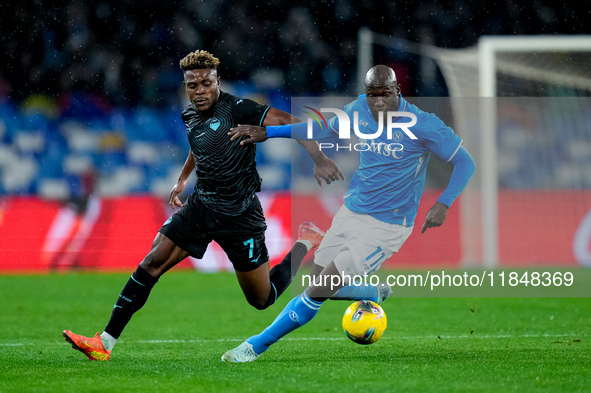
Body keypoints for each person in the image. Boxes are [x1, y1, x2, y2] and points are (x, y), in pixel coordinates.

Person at [62, 50, 344, 361]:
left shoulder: (239, 108)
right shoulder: (190, 115)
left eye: (205, 84)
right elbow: (199, 146)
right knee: (152, 262)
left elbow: (292, 122)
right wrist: (183, 179)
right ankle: (105, 342)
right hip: (201, 206)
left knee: (262, 299)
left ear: (217, 82)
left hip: (240, 215)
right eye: (192, 85)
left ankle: (306, 241)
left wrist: (319, 158)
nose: (199, 91)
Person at [221, 65, 476, 362]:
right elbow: (319, 128)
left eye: (385, 95)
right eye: (372, 95)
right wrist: (269, 132)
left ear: (398, 91)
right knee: (318, 281)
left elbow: (465, 162)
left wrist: (443, 203)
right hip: (351, 211)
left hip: (386, 226)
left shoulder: (422, 124)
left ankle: (254, 346)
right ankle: (371, 291)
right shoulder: (358, 109)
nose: (378, 102)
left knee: (317, 290)